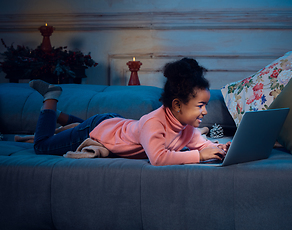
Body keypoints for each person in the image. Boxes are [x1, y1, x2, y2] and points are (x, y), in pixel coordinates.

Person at [30, 57, 230, 166]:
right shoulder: (154, 123)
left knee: (83, 126)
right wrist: (199, 157)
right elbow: (158, 158)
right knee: (41, 145)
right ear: (177, 105)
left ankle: (57, 116)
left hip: (114, 124)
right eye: (200, 105)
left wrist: (220, 149)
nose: (205, 111)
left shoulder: (186, 128)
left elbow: (202, 144)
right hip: (97, 129)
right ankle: (51, 98)